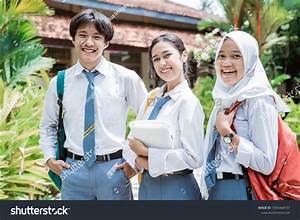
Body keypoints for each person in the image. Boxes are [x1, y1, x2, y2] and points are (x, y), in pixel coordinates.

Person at [39, 9, 147, 200]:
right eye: (82, 35)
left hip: (114, 169)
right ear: (73, 39)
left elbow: (146, 119)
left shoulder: (125, 78)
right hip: (73, 170)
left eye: (97, 37)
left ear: (106, 43)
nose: (89, 43)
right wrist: (50, 159)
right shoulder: (60, 82)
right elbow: (48, 124)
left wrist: (134, 161)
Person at [200, 31, 290, 200]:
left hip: (241, 190)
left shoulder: (258, 100)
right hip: (216, 189)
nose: (226, 63)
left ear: (250, 60)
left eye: (236, 56)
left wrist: (226, 132)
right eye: (221, 56)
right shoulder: (223, 99)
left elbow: (265, 162)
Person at [121, 33, 205, 200]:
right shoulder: (152, 97)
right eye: (156, 59)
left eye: (167, 55)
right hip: (147, 187)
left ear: (184, 56)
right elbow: (132, 139)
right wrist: (137, 161)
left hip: (176, 188)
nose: (162, 63)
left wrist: (147, 155)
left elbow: (194, 158)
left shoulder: (188, 102)